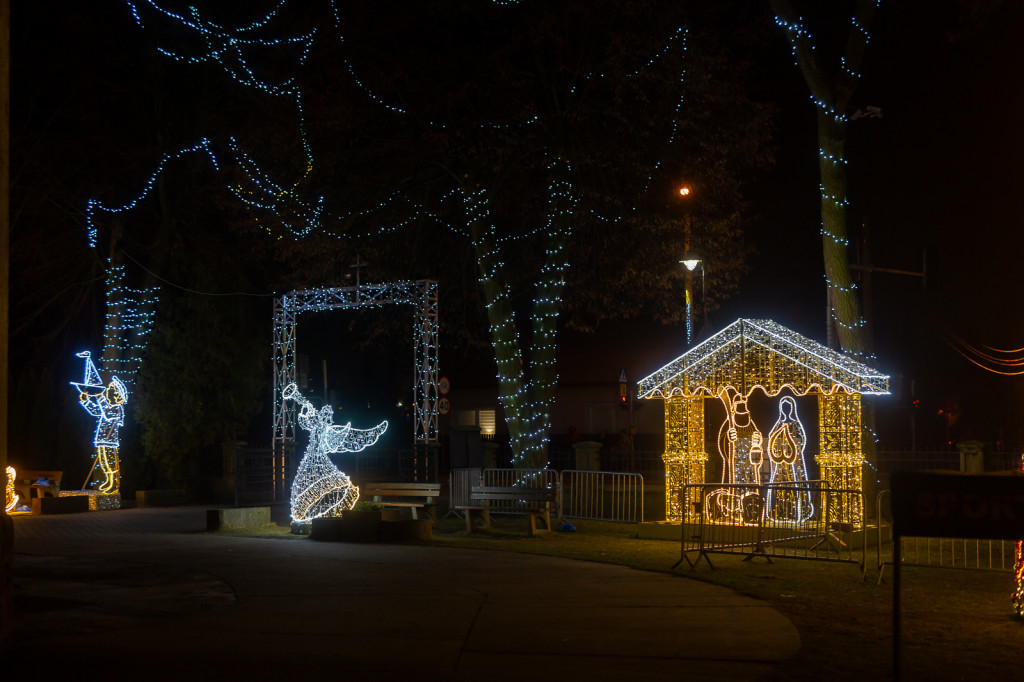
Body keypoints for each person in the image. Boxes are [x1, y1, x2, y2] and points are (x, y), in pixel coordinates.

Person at [765, 396, 814, 523]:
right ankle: (779, 512)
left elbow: (801, 440)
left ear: (792, 409)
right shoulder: (778, 425)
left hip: (794, 464)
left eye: (788, 407)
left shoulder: (795, 424)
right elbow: (772, 438)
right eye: (784, 407)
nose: (786, 410)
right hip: (780, 465)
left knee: (795, 485)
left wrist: (791, 447)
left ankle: (797, 513)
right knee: (779, 486)